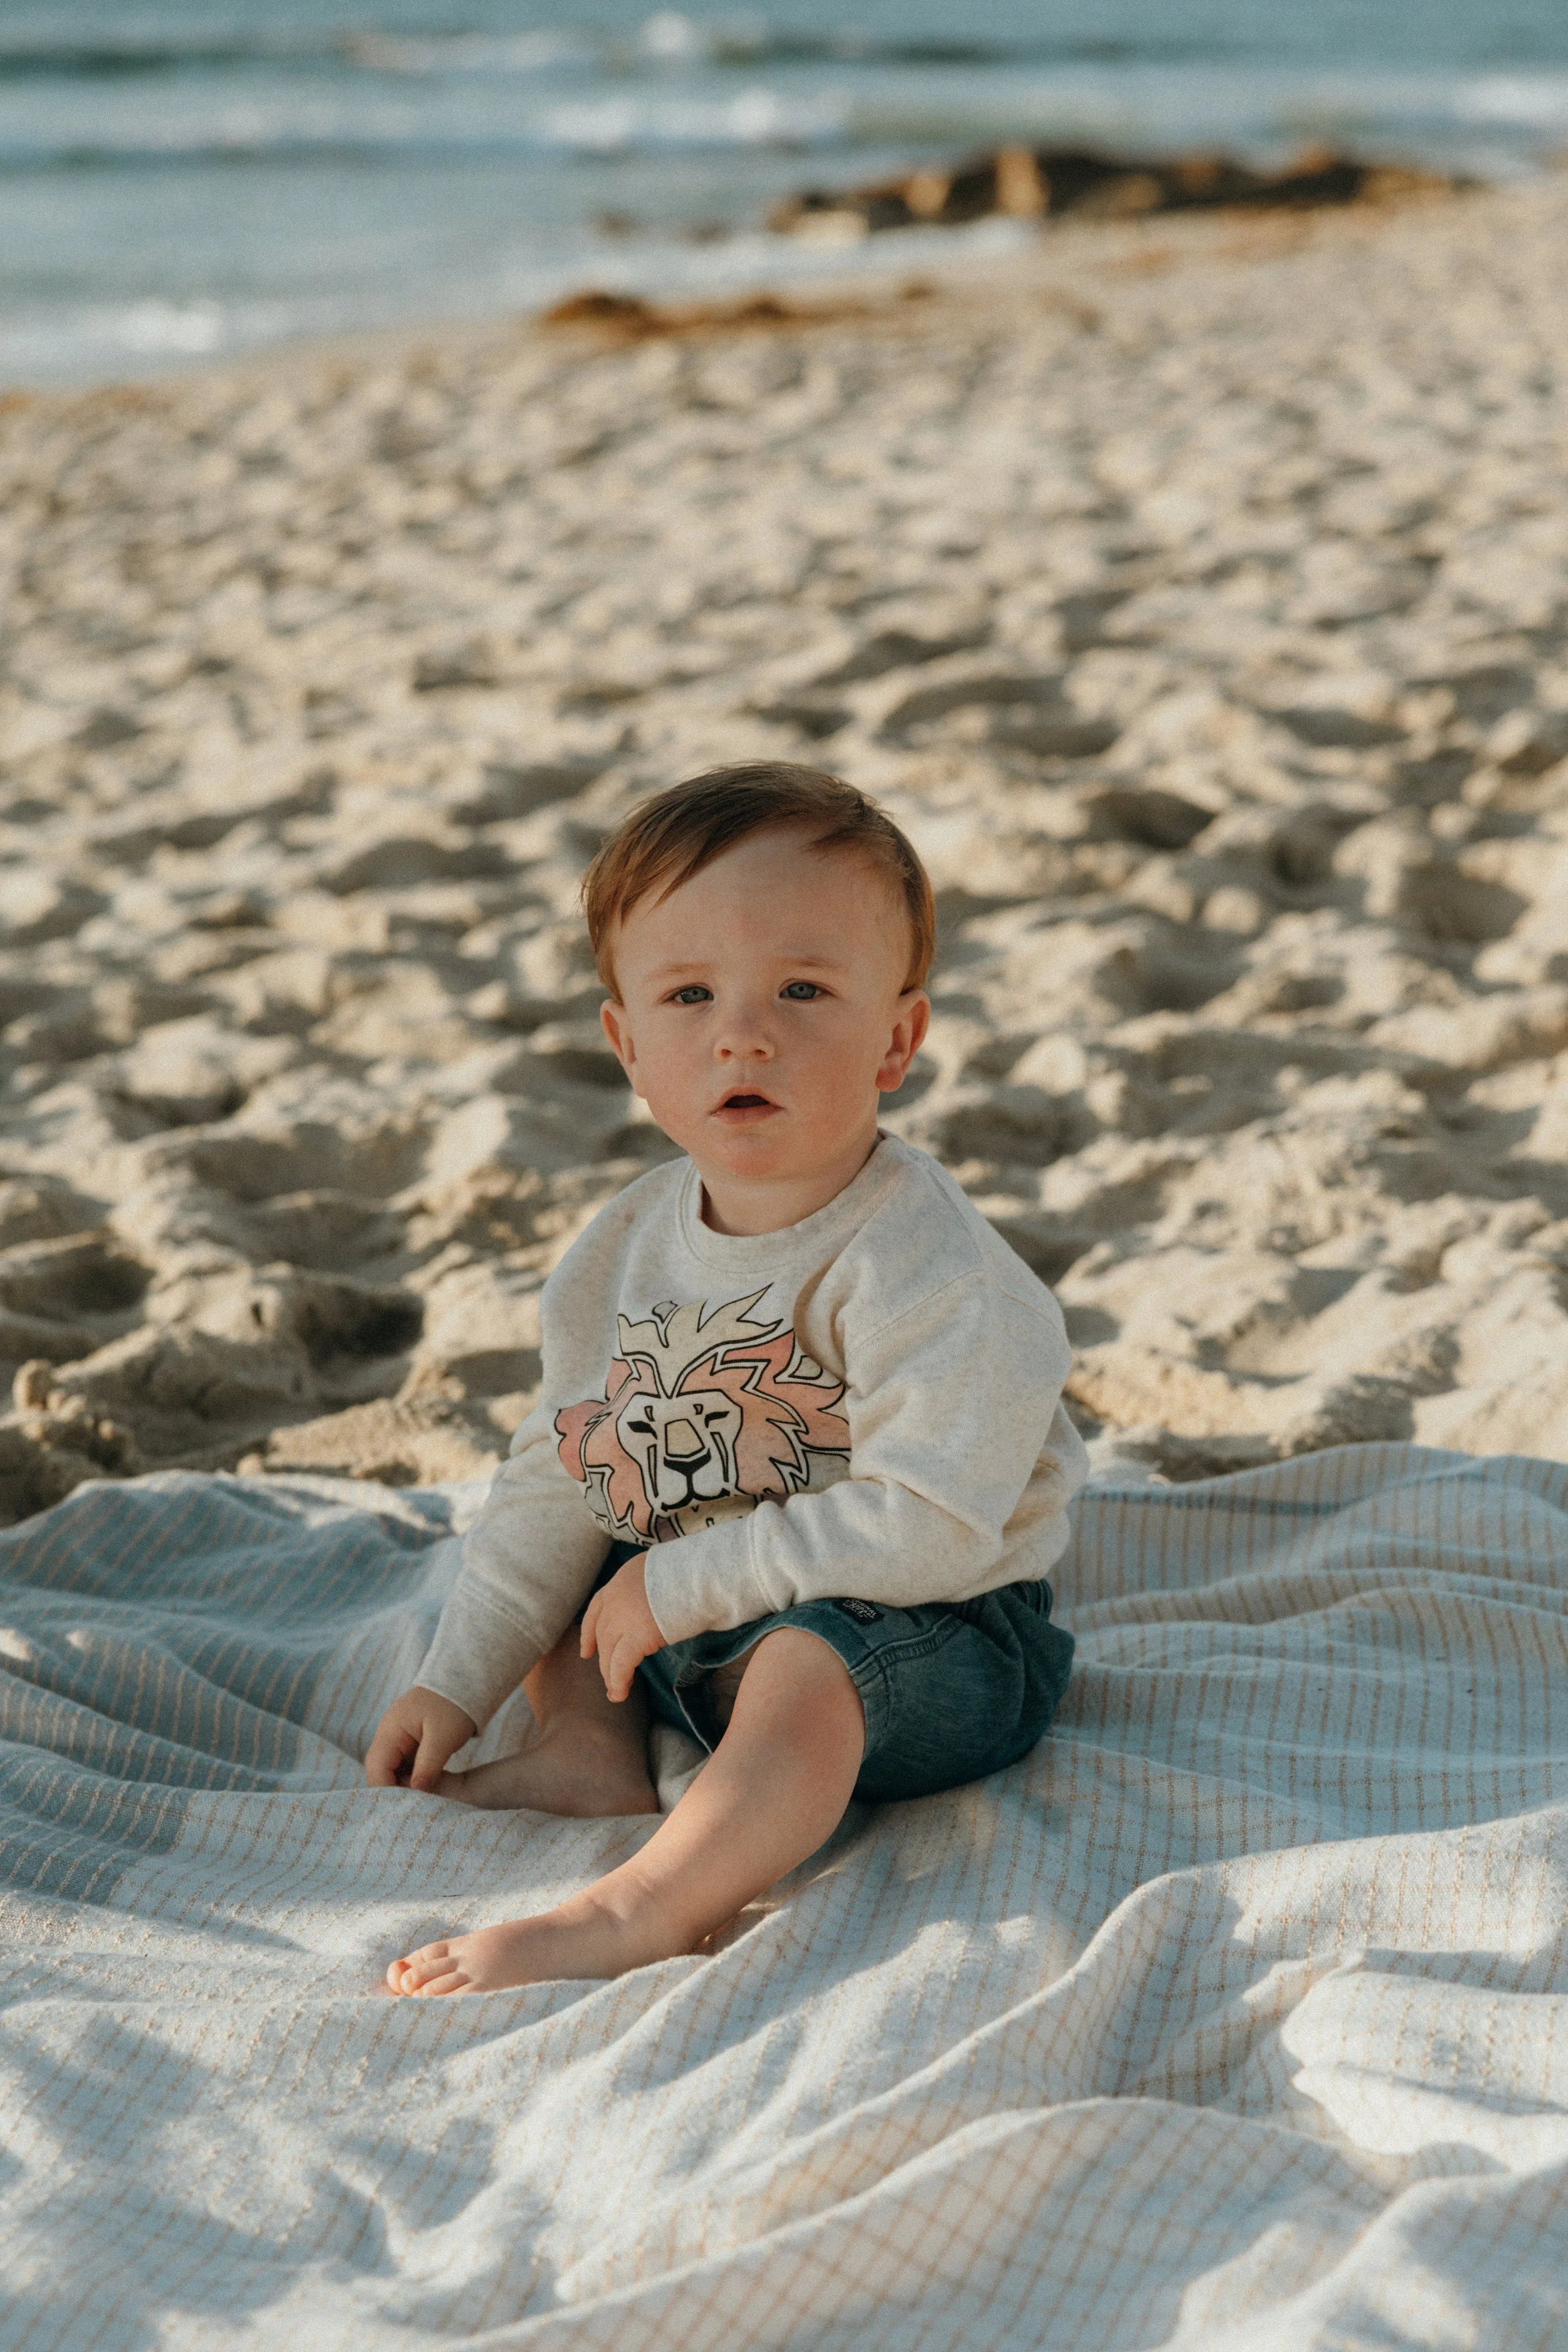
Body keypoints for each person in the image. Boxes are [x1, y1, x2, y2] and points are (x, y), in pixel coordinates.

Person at [369, 761, 1086, 1995]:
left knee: (804, 1662)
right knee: (588, 1518)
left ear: (896, 1038)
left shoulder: (930, 1269)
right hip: (692, 1613)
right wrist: (459, 1672)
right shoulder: (622, 1248)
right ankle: (585, 1749)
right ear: (627, 1045)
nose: (741, 1033)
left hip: (922, 1635)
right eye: (688, 994)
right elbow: (555, 1471)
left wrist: (687, 1579)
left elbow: (928, 1524)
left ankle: (646, 1904)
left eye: (803, 990)